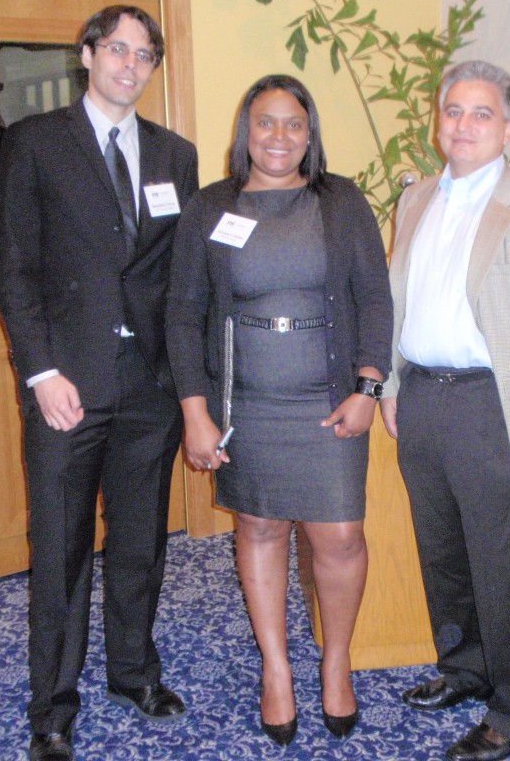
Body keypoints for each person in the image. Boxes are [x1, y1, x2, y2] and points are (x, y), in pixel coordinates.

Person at [0, 5, 199, 761]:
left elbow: (179, 279)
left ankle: (133, 673)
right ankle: (52, 707)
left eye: (145, 55)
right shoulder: (33, 143)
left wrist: (190, 384)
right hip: (65, 392)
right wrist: (41, 371)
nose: (130, 65)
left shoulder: (175, 155)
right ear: (87, 54)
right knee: (62, 552)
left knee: (141, 544)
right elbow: (15, 271)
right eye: (117, 48)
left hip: (149, 389)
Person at [165, 74, 392, 747]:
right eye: (265, 122)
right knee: (259, 529)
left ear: (310, 134)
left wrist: (368, 385)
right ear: (246, 130)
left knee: (340, 538)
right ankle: (276, 671)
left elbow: (375, 298)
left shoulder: (341, 200)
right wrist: (196, 412)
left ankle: (336, 660)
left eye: (294, 124)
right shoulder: (212, 206)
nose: (279, 136)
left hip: (327, 400)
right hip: (248, 403)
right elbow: (183, 315)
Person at [380, 60, 510, 761]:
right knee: (442, 555)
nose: (463, 125)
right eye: (453, 112)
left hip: (496, 408)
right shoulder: (414, 200)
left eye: (480, 113)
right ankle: (465, 670)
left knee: (505, 568)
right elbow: (398, 304)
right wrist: (391, 389)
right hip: (424, 400)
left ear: (508, 127)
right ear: (438, 122)